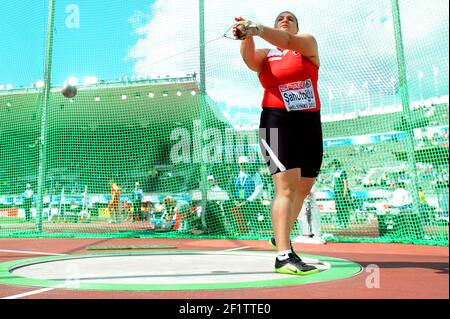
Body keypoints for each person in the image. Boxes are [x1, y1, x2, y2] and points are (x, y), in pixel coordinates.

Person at [233, 12, 322, 275]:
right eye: (280, 18)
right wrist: (245, 33)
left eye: (290, 18)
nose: (284, 19)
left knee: (304, 186)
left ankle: (279, 233)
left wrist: (257, 28)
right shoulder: (266, 55)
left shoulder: (306, 44)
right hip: (276, 121)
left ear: (297, 27)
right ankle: (283, 256)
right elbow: (249, 59)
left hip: (309, 122)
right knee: (286, 187)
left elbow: (286, 40)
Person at [230, 156, 264, 235]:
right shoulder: (235, 175)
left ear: (248, 164)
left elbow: (258, 188)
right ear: (239, 165)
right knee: (226, 205)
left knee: (252, 209)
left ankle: (254, 230)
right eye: (241, 164)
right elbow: (231, 188)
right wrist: (234, 199)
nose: (243, 165)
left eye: (245, 164)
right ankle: (235, 229)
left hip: (250, 200)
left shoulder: (254, 174)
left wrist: (249, 200)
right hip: (238, 199)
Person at [331, 159, 350, 228]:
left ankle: (345, 222)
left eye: (333, 165)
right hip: (336, 192)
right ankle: (340, 222)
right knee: (338, 208)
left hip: (341, 192)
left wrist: (345, 192)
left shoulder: (342, 171)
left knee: (343, 208)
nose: (332, 166)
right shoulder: (333, 173)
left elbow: (345, 181)